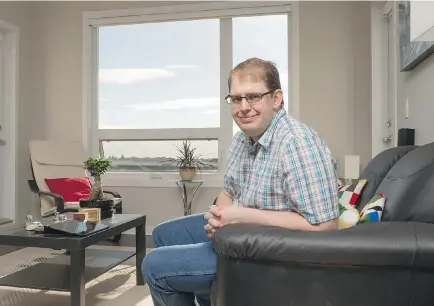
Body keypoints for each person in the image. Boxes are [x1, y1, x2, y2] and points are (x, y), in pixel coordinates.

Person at [141, 57, 339, 306]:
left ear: (276, 99)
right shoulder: (241, 140)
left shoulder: (297, 143)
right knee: (163, 234)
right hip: (236, 234)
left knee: (154, 266)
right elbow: (229, 192)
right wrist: (218, 218)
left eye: (253, 97)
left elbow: (326, 227)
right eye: (236, 99)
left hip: (268, 254)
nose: (243, 107)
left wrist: (242, 216)